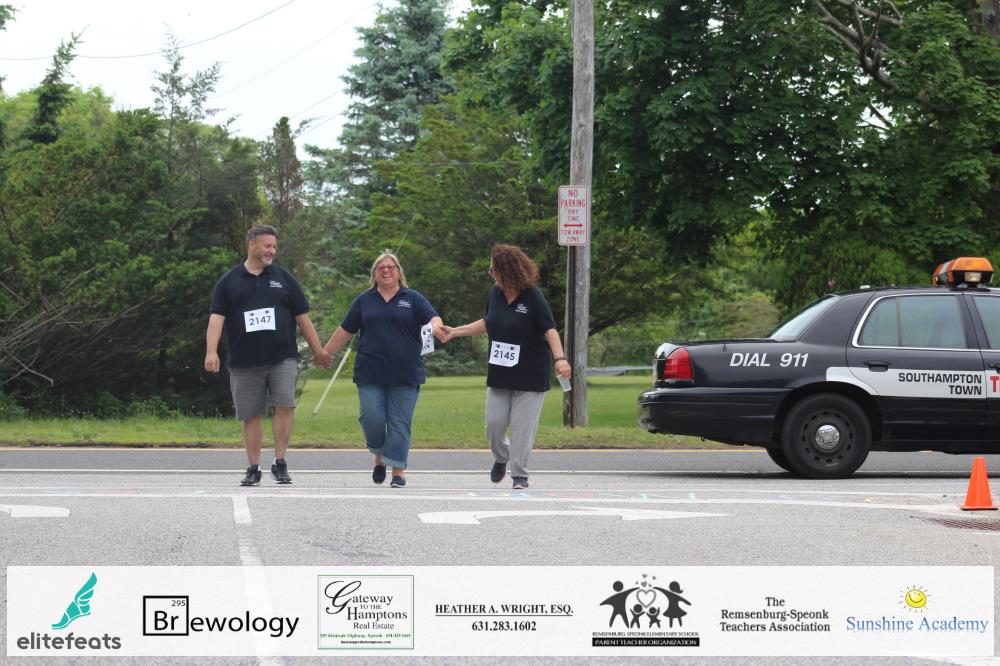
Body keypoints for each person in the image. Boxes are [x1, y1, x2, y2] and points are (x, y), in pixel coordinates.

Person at [205, 224, 332, 486]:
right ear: (252, 245)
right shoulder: (228, 281)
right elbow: (216, 319)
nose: (272, 251)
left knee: (285, 405)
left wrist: (318, 351)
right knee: (251, 414)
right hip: (244, 361)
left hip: (282, 357)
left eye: (274, 246)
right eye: (267, 246)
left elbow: (303, 317)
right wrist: (211, 351)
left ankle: (280, 462)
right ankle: (253, 468)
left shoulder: (283, 278)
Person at [440, 244, 571, 489]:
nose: (491, 274)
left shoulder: (532, 296)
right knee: (494, 424)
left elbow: (550, 329)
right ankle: (501, 457)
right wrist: (455, 331)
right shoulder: (495, 294)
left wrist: (560, 359)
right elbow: (488, 322)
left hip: (531, 373)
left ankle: (519, 473)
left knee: (523, 429)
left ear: (507, 271)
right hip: (500, 372)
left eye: (493, 269)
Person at [321, 251, 443, 488]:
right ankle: (379, 456)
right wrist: (325, 354)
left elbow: (433, 318)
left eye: (391, 267)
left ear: (398, 272)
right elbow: (345, 330)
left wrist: (436, 327)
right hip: (370, 372)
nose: (386, 270)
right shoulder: (364, 300)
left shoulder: (413, 298)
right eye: (381, 267)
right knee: (371, 419)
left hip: (406, 373)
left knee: (399, 422)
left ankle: (398, 471)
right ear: (374, 274)